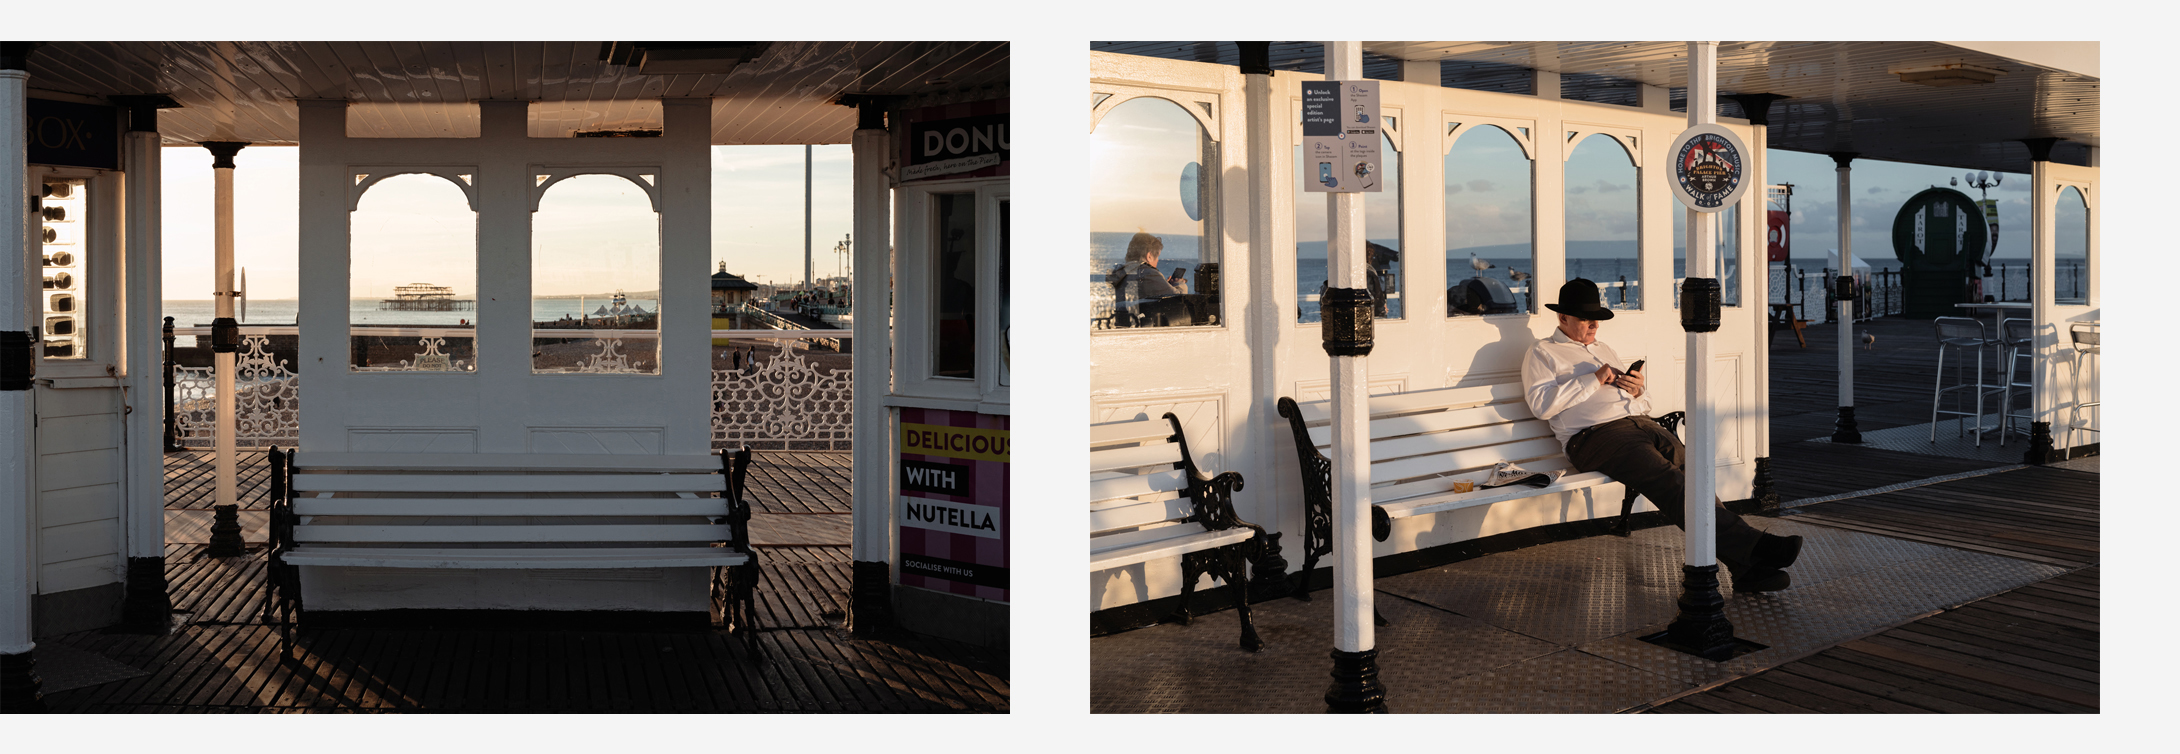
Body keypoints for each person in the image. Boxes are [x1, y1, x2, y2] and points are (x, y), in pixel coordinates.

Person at [1521, 278, 1803, 591]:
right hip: (1594, 438)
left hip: (1639, 425)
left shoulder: (1604, 349)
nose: (1594, 326)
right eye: (1587, 320)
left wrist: (1638, 390)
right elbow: (1541, 405)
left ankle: (1745, 568)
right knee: (1670, 481)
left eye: (1598, 320)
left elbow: (1644, 404)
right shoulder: (1543, 353)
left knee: (1696, 480)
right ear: (1563, 318)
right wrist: (1594, 379)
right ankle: (1756, 547)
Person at [1107, 231, 1182, 325]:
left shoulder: (1121, 271)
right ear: (1149, 256)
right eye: (1157, 256)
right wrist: (1179, 285)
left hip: (1123, 325)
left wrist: (1165, 285)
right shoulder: (1147, 273)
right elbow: (1180, 299)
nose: (1158, 260)